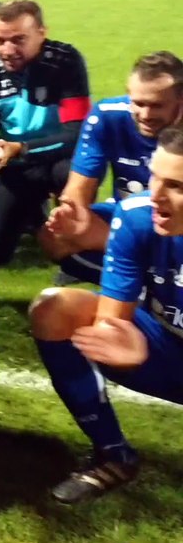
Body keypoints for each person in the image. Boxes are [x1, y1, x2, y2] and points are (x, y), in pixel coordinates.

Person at [28, 125, 183, 504]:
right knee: (53, 310)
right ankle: (113, 454)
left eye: (177, 186)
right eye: (155, 177)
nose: (156, 196)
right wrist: (122, 342)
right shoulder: (137, 216)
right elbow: (111, 324)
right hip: (166, 344)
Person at [0, 0, 92, 266]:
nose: (7, 50)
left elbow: (77, 134)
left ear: (42, 33)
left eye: (18, 40)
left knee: (75, 171)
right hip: (17, 166)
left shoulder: (64, 62)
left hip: (61, 160)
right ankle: (32, 215)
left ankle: (78, 248)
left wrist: (22, 149)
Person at [41, 51, 183, 285]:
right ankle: (146, 279)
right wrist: (73, 214)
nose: (145, 114)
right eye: (138, 103)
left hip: (177, 224)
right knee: (56, 235)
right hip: (129, 217)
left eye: (157, 106)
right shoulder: (108, 116)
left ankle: (140, 277)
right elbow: (78, 186)